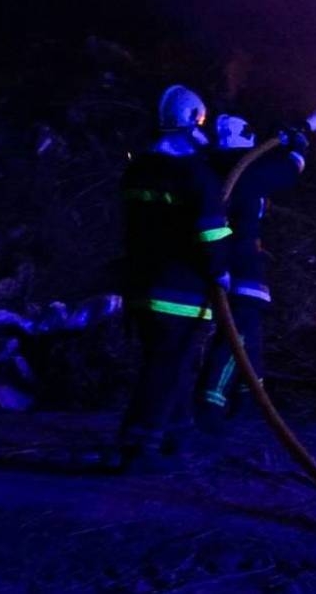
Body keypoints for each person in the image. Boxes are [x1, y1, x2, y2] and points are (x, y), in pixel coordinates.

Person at [118, 85, 232, 472]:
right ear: (192, 119)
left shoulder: (138, 170)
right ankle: (140, 445)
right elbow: (211, 233)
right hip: (182, 289)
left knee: (170, 363)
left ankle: (175, 436)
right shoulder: (197, 174)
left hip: (140, 283)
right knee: (167, 365)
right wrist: (222, 273)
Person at [197, 113, 308, 430]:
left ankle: (248, 402)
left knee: (251, 338)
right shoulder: (242, 172)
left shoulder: (212, 169)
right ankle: (211, 405)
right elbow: (289, 170)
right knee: (239, 339)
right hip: (239, 265)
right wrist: (298, 144)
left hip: (233, 264)